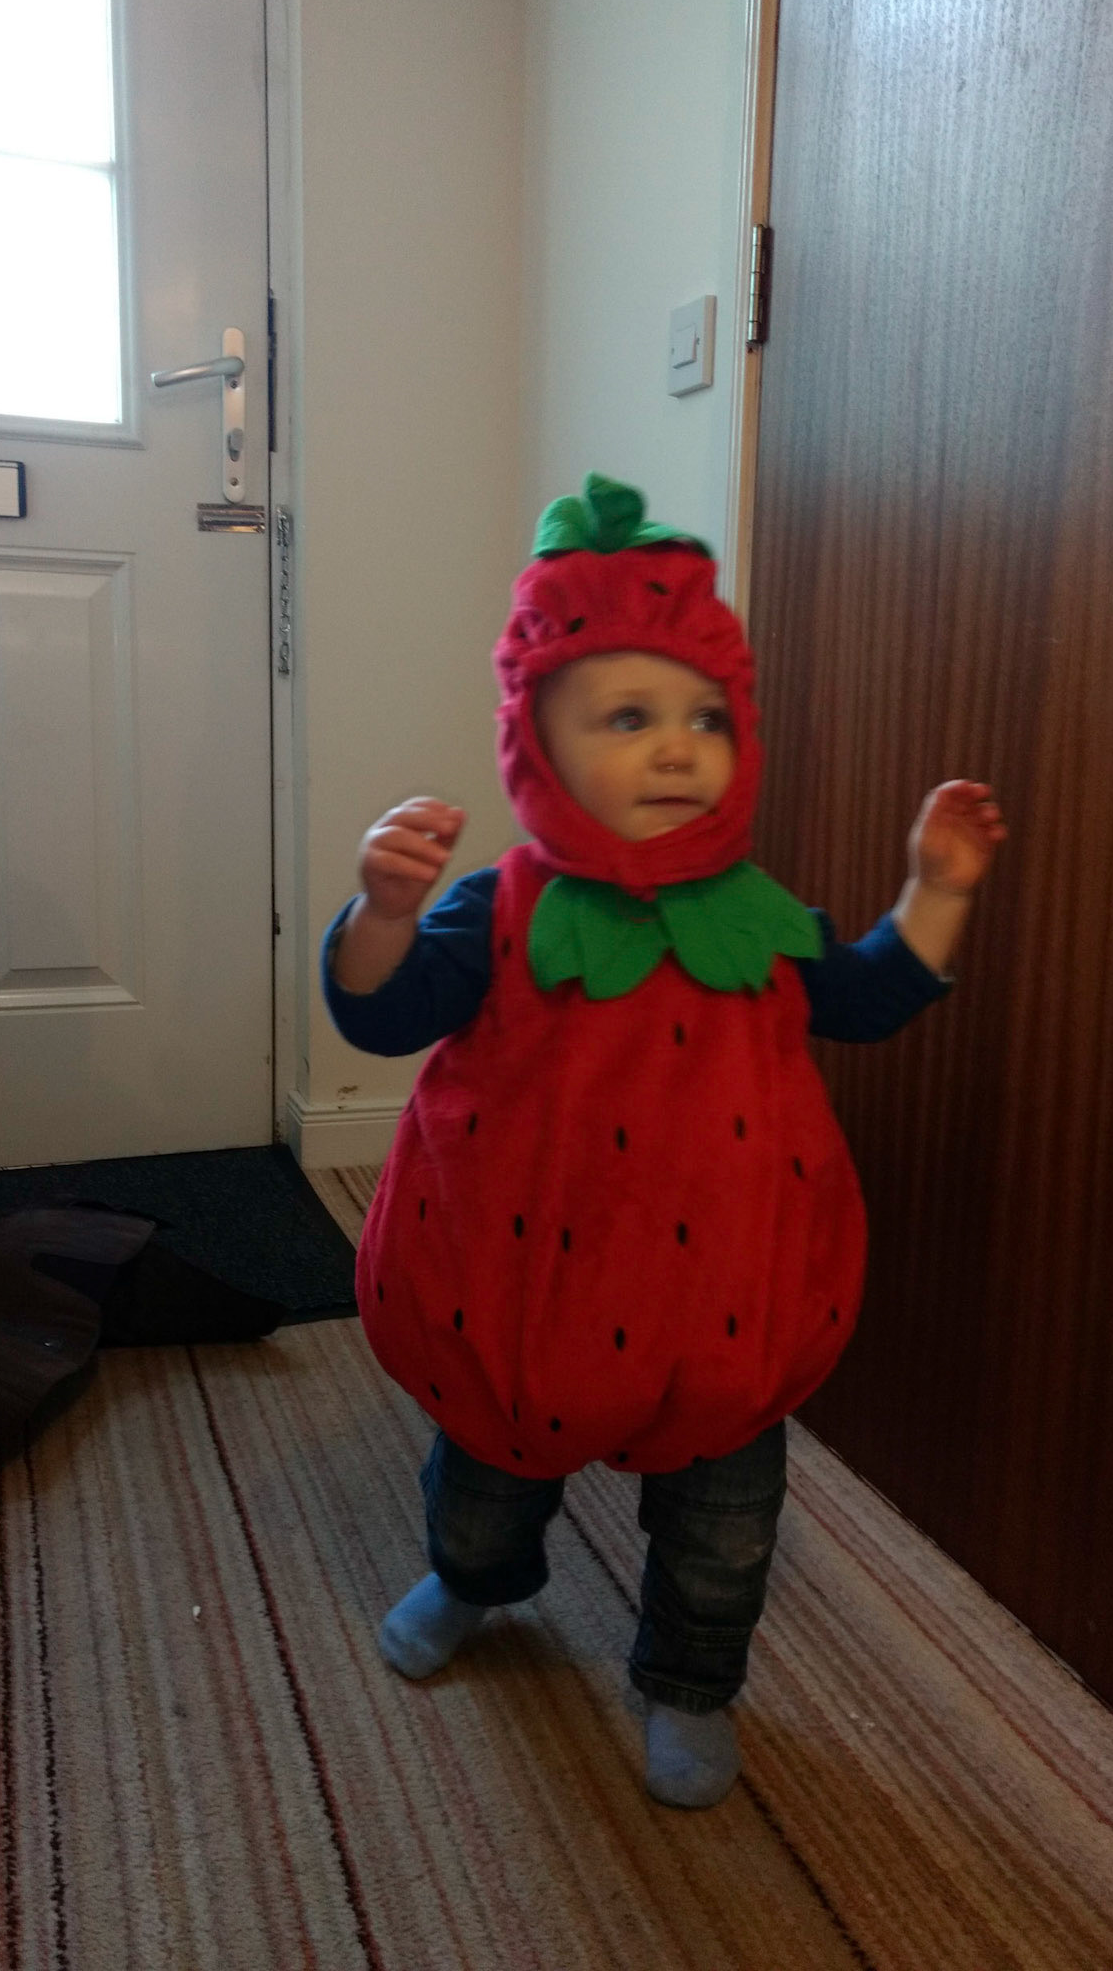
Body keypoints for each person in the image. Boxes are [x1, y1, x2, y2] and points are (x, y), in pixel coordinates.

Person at [321, 474, 1006, 1809]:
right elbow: (384, 1015)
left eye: (706, 718)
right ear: (537, 740)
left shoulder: (759, 914)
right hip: (523, 1288)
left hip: (725, 1300)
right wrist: (383, 917)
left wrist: (935, 894)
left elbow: (868, 997)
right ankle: (473, 1580)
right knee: (486, 1474)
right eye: (628, 718)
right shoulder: (497, 910)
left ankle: (690, 1681)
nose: (680, 750)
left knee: (725, 1526)